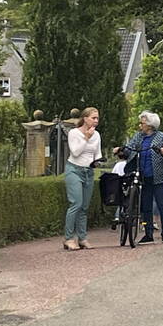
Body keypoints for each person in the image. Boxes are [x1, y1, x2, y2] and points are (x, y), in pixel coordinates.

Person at [117, 111, 163, 244]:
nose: (140, 126)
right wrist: (121, 150)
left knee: (161, 205)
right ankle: (148, 234)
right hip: (143, 177)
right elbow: (129, 149)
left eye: (142, 123)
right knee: (145, 206)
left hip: (159, 177)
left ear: (150, 125)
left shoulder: (162, 137)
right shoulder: (139, 136)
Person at [64, 106, 102, 251]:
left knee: (84, 207)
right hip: (74, 169)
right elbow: (75, 152)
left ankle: (82, 238)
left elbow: (97, 153)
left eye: (97, 118)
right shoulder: (74, 133)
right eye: (93, 118)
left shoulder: (97, 135)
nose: (96, 121)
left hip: (88, 171)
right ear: (85, 119)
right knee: (76, 203)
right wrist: (86, 137)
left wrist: (98, 161)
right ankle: (68, 238)